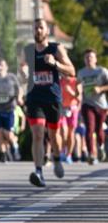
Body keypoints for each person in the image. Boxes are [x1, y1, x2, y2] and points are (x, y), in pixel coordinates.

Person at [23, 17, 75, 187]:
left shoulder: (56, 48)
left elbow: (71, 71)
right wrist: (23, 71)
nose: (38, 31)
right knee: (37, 134)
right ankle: (38, 171)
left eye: (41, 28)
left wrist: (56, 64)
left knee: (54, 135)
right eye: (35, 28)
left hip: (52, 97)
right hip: (34, 97)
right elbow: (23, 67)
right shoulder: (28, 50)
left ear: (47, 31)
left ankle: (57, 157)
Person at [78, 48, 108, 164]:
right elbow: (78, 87)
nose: (88, 59)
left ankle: (100, 147)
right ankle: (91, 154)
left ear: (95, 59)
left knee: (99, 129)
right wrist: (77, 91)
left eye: (91, 57)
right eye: (86, 57)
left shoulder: (102, 71)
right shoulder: (81, 73)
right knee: (89, 129)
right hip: (87, 104)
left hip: (101, 105)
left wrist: (100, 88)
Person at [60, 71, 82, 162]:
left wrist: (71, 92)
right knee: (63, 132)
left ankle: (68, 155)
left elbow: (79, 97)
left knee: (71, 133)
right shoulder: (59, 81)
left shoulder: (76, 81)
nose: (66, 75)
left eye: (68, 74)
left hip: (73, 109)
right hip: (62, 109)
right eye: (64, 73)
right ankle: (62, 152)